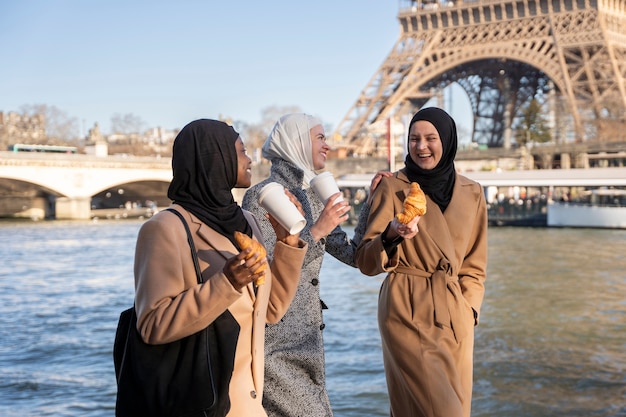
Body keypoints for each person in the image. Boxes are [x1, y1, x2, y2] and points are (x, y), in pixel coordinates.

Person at [133, 119, 307, 417]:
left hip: (249, 401)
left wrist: (288, 244)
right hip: (202, 402)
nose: (250, 158)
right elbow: (153, 325)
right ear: (215, 157)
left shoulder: (246, 222)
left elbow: (271, 310)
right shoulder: (165, 228)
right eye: (241, 151)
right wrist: (227, 282)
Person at [242, 113, 387, 417]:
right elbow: (265, 271)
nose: (328, 146)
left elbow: (352, 254)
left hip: (308, 341)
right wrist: (318, 229)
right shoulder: (261, 196)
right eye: (320, 137)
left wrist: (371, 202)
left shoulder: (314, 197)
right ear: (296, 142)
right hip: (275, 341)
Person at [355, 107, 487, 417]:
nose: (421, 146)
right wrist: (392, 233)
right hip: (406, 306)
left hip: (456, 313)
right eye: (414, 139)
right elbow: (364, 260)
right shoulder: (392, 188)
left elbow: (475, 264)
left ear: (448, 140)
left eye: (430, 138)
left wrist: (469, 311)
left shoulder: (473, 192)